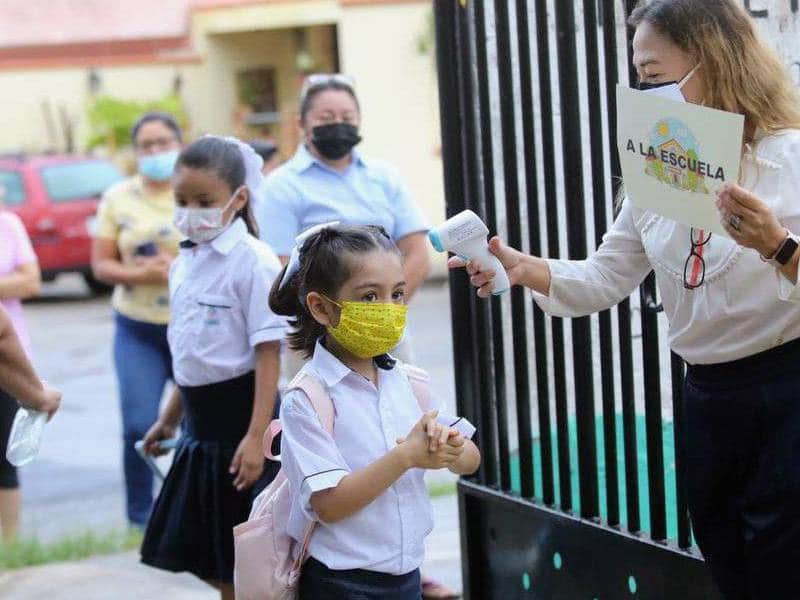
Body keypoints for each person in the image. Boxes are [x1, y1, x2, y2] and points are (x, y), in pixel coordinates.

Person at [453, 1, 800, 599]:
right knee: (731, 568)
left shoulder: (787, 158)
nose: (646, 93)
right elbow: (604, 277)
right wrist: (521, 267)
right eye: (641, 80)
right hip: (706, 399)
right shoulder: (663, 169)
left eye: (658, 76)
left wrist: (778, 245)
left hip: (787, 391)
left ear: (717, 58)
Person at [268, 223, 480, 600]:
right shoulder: (307, 398)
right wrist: (406, 456)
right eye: (369, 297)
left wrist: (452, 449)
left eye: (397, 294)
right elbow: (329, 504)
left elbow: (470, 461)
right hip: (342, 584)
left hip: (405, 578)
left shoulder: (410, 382)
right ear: (320, 307)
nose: (389, 309)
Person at [139, 136, 287, 600]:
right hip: (198, 427)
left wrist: (255, 438)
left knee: (240, 561)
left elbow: (268, 353)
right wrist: (169, 419)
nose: (190, 212)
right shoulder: (185, 261)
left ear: (238, 199)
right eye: (181, 201)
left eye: (204, 202)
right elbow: (193, 354)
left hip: (241, 420)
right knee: (194, 548)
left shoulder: (252, 261)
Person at [257, 74, 431, 366]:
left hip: (388, 335)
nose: (338, 122)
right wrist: (339, 324)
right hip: (318, 341)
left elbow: (418, 254)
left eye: (347, 116)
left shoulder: (384, 178)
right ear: (301, 123)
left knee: (405, 407)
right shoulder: (280, 186)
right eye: (326, 116)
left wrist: (381, 317)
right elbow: (281, 267)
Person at [91, 112, 184, 529]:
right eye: (146, 146)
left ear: (180, 143)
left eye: (163, 142)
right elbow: (101, 266)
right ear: (136, 152)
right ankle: (140, 518)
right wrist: (141, 274)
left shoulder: (197, 189)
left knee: (201, 424)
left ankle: (191, 509)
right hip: (138, 327)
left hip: (192, 327)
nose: (155, 152)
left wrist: (178, 267)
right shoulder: (117, 197)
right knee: (138, 421)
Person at [0, 207, 42, 539]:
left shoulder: (8, 224)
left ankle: (11, 551)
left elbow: (31, 281)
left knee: (6, 459)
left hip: (9, 363)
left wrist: (35, 392)